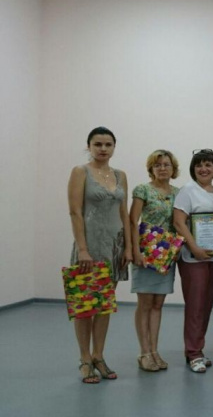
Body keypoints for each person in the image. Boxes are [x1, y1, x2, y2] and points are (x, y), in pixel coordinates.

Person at [67, 126, 132, 383]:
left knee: (105, 305)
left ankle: (99, 356)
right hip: (90, 247)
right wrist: (82, 249)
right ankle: (84, 359)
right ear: (89, 146)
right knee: (85, 306)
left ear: (114, 147)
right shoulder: (80, 172)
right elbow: (75, 212)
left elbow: (124, 213)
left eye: (108, 144)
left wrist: (128, 246)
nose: (103, 149)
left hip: (114, 246)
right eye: (98, 144)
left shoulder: (121, 175)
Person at [129, 150, 180, 372]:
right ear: (151, 168)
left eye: (166, 164)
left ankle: (155, 350)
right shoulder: (143, 190)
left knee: (158, 304)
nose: (162, 168)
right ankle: (144, 352)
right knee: (145, 303)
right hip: (145, 254)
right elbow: (132, 221)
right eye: (157, 165)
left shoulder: (178, 193)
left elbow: (179, 222)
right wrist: (135, 251)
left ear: (173, 168)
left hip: (167, 255)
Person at [173, 149, 213, 373]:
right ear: (193, 169)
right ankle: (193, 352)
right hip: (193, 258)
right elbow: (178, 222)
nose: (204, 169)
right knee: (195, 305)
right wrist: (194, 248)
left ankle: (198, 349)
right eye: (199, 165)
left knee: (206, 305)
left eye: (208, 165)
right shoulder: (187, 191)